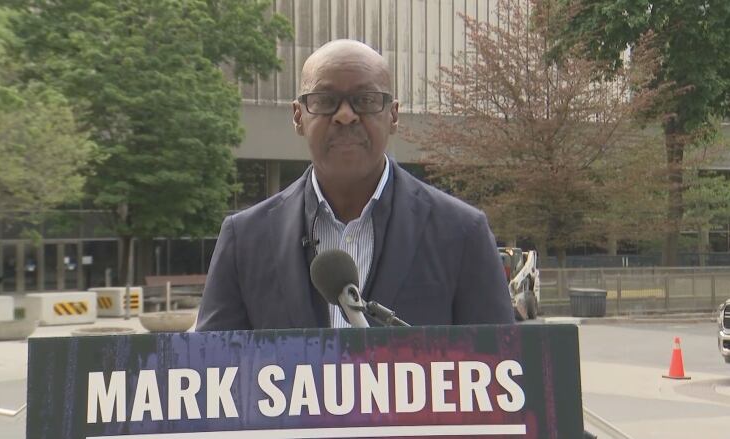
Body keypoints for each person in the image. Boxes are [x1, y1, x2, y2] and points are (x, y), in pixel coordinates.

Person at [196, 39, 513, 331]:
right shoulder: (245, 240)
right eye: (325, 100)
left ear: (394, 115)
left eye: (365, 100)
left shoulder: (462, 233)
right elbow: (209, 376)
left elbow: (500, 372)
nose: (345, 115)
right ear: (297, 117)